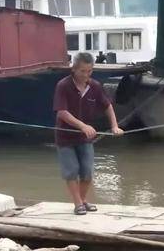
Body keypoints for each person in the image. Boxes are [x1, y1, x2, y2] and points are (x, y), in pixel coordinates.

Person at [53, 52, 124, 215]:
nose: (86, 75)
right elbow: (62, 112)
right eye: (82, 71)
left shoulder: (95, 86)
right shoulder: (63, 85)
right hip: (65, 137)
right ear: (74, 69)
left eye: (89, 71)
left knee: (87, 171)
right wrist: (82, 126)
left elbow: (107, 106)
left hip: (85, 138)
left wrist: (114, 126)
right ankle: (78, 203)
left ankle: (83, 200)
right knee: (71, 170)